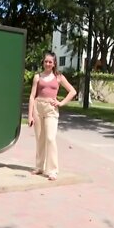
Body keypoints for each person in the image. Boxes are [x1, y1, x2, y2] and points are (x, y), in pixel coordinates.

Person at [28, 51, 77, 180]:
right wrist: (30, 115)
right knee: (40, 139)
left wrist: (61, 103)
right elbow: (32, 96)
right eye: (46, 61)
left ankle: (53, 170)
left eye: (50, 62)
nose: (48, 64)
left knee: (50, 138)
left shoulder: (59, 77)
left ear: (54, 63)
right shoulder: (37, 77)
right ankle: (39, 166)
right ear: (43, 62)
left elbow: (72, 91)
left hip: (51, 109)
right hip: (38, 108)